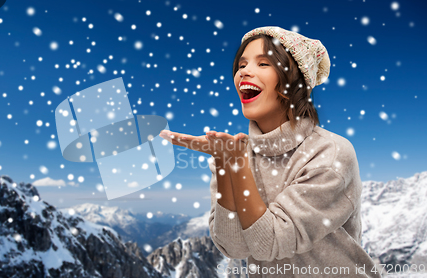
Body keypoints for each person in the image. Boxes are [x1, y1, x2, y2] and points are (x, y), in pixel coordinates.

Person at [160, 26, 381, 277]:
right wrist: (224, 164)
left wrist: (237, 166)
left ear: (295, 81)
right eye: (241, 65)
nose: (244, 72)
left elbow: (269, 243)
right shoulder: (234, 152)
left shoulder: (330, 154)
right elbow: (232, 247)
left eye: (263, 64)